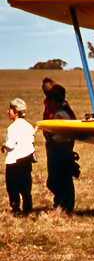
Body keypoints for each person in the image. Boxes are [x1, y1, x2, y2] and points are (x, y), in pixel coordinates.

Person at [43, 85, 77, 213]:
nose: (47, 103)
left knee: (56, 180)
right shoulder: (63, 111)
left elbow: (61, 136)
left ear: (57, 102)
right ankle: (62, 203)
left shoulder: (61, 114)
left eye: (50, 101)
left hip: (59, 150)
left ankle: (64, 204)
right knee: (62, 179)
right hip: (61, 149)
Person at [4, 98, 36, 215]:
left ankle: (16, 209)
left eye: (10, 110)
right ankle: (28, 209)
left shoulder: (12, 128)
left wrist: (4, 145)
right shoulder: (29, 126)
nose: (8, 112)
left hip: (14, 162)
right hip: (26, 161)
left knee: (12, 188)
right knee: (26, 188)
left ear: (16, 112)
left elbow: (11, 145)